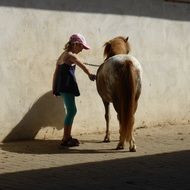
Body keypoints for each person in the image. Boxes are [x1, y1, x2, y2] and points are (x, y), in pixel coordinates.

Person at [52, 33, 96, 147]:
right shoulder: (72, 56)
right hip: (67, 86)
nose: (82, 50)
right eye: (82, 47)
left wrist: (54, 88)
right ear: (76, 44)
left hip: (62, 86)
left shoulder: (63, 54)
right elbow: (83, 67)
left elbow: (56, 72)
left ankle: (67, 137)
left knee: (71, 110)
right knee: (72, 111)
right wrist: (91, 75)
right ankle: (66, 138)